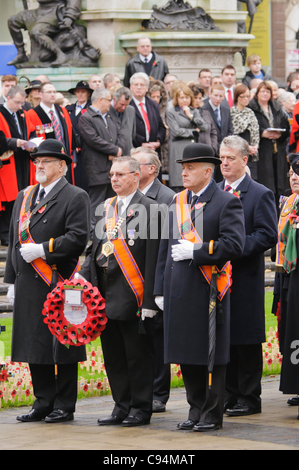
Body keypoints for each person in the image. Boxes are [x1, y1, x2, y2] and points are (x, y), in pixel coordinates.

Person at [154, 143, 245, 432]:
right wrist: (159, 289)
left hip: (208, 290)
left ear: (208, 171)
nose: (184, 172)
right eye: (183, 167)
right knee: (185, 353)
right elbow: (163, 249)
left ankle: (211, 413)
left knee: (210, 353)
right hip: (178, 287)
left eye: (190, 168)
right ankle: (195, 409)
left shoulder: (225, 201)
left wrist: (198, 250)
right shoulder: (177, 201)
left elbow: (234, 245)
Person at [4, 139, 90, 423]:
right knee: (34, 344)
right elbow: (14, 241)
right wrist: (11, 281)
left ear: (62, 166)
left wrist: (43, 250)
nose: (39, 165)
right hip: (28, 282)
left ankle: (64, 405)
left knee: (62, 343)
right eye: (37, 161)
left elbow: (78, 237)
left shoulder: (75, 195)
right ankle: (43, 401)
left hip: (57, 281)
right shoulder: (24, 196)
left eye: (46, 161)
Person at [79, 156, 162, 427]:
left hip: (134, 295)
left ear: (136, 176)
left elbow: (153, 259)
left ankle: (140, 408)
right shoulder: (106, 207)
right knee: (113, 356)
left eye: (120, 175)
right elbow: (95, 249)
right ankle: (120, 406)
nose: (114, 179)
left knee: (138, 357)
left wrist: (150, 299)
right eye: (112, 174)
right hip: (105, 293)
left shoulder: (152, 208)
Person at [218, 136, 277, 417]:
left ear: (245, 159)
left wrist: (233, 249)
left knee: (245, 338)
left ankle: (249, 397)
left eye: (230, 158)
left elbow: (267, 234)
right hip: (216, 278)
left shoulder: (259, 193)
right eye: (222, 158)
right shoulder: (215, 191)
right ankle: (230, 394)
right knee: (224, 337)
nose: (224, 163)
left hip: (244, 276)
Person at [131, 147, 175, 413]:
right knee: (138, 341)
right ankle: (141, 391)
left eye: (137, 164)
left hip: (154, 278)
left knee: (157, 340)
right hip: (130, 280)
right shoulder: (127, 196)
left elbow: (166, 245)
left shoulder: (166, 197)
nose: (131, 169)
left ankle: (159, 393)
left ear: (152, 169)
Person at [78, 87, 126, 235]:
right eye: (109, 100)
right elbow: (93, 140)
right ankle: (94, 232)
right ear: (100, 100)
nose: (111, 103)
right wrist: (114, 150)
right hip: (97, 167)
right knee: (97, 201)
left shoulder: (110, 116)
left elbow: (120, 134)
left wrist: (119, 150)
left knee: (111, 200)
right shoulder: (86, 118)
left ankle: (108, 229)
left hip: (112, 167)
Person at [274, 154, 299, 418]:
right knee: (293, 334)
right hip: (290, 275)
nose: (293, 177)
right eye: (291, 172)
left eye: (298, 173)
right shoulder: (288, 202)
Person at [0, 85, 36, 246]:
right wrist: (14, 142)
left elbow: (32, 132)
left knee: (22, 197)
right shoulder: (1, 113)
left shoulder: (21, 114)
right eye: (18, 102)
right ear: (8, 98)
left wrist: (32, 143)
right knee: (8, 199)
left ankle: (18, 231)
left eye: (22, 103)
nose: (21, 106)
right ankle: (5, 234)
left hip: (22, 161)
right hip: (7, 163)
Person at [248, 81, 290, 207]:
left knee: (280, 184)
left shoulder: (276, 107)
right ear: (257, 93)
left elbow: (285, 125)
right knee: (266, 183)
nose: (265, 94)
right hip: (262, 151)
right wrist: (262, 133)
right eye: (262, 91)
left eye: (268, 92)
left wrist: (279, 134)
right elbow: (250, 128)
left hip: (278, 150)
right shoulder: (252, 108)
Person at [27, 82, 75, 184]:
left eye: (54, 92)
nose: (52, 94)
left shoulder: (62, 111)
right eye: (49, 92)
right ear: (40, 94)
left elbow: (69, 135)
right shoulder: (31, 114)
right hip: (46, 162)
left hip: (64, 157)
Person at [166, 84, 208, 192]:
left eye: (187, 97)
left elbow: (204, 127)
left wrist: (191, 116)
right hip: (179, 148)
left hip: (193, 149)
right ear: (177, 99)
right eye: (182, 97)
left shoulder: (195, 111)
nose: (185, 100)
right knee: (179, 181)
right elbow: (176, 132)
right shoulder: (171, 112)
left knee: (194, 180)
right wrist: (194, 132)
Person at [202, 84, 234, 182]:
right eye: (215, 95)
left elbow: (229, 129)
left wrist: (226, 147)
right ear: (210, 94)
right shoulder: (204, 108)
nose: (218, 98)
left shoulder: (225, 108)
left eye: (221, 96)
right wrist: (215, 147)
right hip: (211, 150)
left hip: (224, 151)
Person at [66, 80, 93, 192]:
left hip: (86, 150)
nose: (80, 94)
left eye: (83, 91)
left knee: (85, 181)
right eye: (78, 91)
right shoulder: (68, 109)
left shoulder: (91, 109)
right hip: (73, 150)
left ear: (88, 94)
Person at [129, 73, 166, 151]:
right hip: (135, 149)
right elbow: (126, 129)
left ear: (146, 88)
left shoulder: (153, 104)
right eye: (136, 85)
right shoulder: (127, 105)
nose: (139, 87)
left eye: (142, 85)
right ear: (131, 87)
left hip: (153, 149)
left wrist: (158, 142)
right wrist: (141, 144)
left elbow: (161, 126)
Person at [230, 84, 260, 180]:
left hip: (252, 153)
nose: (246, 99)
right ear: (237, 97)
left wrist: (255, 146)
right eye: (242, 96)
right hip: (238, 151)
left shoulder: (250, 112)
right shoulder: (232, 112)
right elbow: (233, 134)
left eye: (248, 96)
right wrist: (247, 147)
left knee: (252, 179)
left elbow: (255, 131)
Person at [188, 83, 218, 155]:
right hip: (193, 151)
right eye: (195, 98)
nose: (198, 101)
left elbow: (213, 132)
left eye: (200, 98)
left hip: (208, 150)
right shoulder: (185, 112)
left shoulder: (205, 112)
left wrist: (213, 147)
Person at [147, 79, 169, 175]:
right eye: (153, 97)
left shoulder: (165, 110)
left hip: (162, 145)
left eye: (158, 96)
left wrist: (159, 140)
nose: (156, 99)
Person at [109, 86, 136, 157]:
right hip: (113, 155)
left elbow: (132, 134)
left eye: (126, 105)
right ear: (114, 99)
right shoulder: (106, 111)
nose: (123, 108)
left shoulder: (131, 110)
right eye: (121, 104)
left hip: (128, 154)